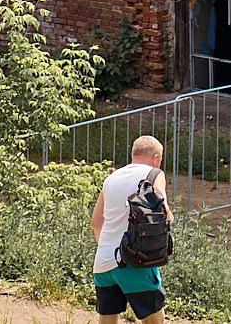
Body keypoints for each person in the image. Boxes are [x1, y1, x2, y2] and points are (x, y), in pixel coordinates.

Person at [91, 136, 172, 324]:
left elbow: (96, 223)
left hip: (103, 263)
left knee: (107, 319)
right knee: (155, 321)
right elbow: (162, 210)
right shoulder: (154, 174)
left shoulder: (111, 178)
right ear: (156, 157)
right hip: (135, 261)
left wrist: (110, 252)